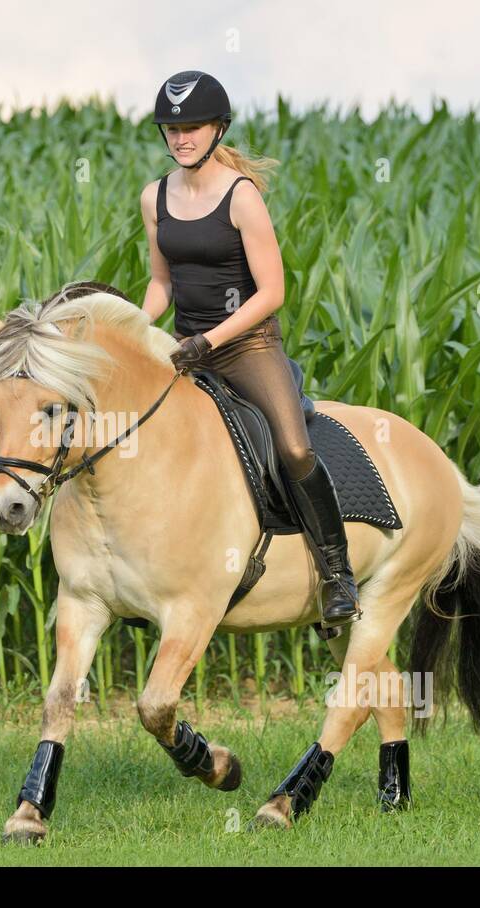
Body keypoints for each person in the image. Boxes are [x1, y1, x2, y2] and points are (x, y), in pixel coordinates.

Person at [139, 69, 359, 627]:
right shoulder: (154, 197)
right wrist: (134, 329)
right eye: (171, 128)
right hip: (185, 347)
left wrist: (210, 338)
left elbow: (273, 292)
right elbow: (162, 284)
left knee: (294, 449)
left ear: (217, 129)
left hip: (246, 347)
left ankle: (338, 575)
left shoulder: (241, 198)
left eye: (192, 126)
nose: (181, 137)